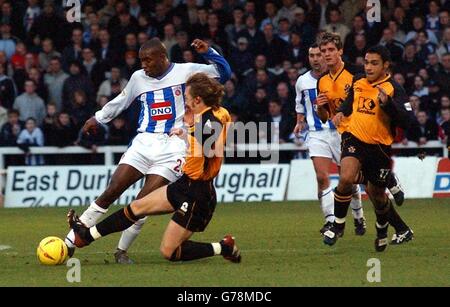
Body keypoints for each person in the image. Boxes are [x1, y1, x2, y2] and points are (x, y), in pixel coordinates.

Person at [64, 38, 231, 264]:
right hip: (144, 143)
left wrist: (208, 52)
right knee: (112, 189)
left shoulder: (187, 71)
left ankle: (121, 251)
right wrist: (98, 118)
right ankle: (70, 241)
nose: (144, 65)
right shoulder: (138, 78)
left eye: (148, 60)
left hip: (174, 147)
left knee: (143, 201)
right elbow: (121, 101)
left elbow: (223, 73)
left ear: (163, 58)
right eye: (141, 60)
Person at [321, 45, 414, 251]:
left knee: (377, 196)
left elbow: (407, 120)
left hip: (379, 148)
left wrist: (388, 104)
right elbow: (350, 102)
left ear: (385, 65)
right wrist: (341, 112)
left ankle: (394, 228)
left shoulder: (394, 89)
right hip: (354, 139)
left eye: (374, 63)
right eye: (366, 62)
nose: (369, 67)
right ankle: (337, 225)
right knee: (346, 178)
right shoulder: (358, 81)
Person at [316, 33, 405, 214]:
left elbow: (380, 82)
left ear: (340, 51)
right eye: (323, 51)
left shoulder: (356, 74)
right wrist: (320, 109)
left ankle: (349, 223)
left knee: (356, 181)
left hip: (362, 133)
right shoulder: (322, 81)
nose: (326, 54)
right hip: (343, 133)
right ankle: (388, 180)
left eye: (331, 50)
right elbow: (325, 117)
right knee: (356, 179)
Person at [294, 43, 366, 235]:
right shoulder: (302, 81)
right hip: (317, 134)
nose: (316, 58)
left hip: (342, 132)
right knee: (321, 176)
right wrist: (299, 121)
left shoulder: (339, 78)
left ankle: (358, 216)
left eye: (320, 54)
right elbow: (299, 106)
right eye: (312, 55)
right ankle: (330, 220)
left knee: (348, 180)